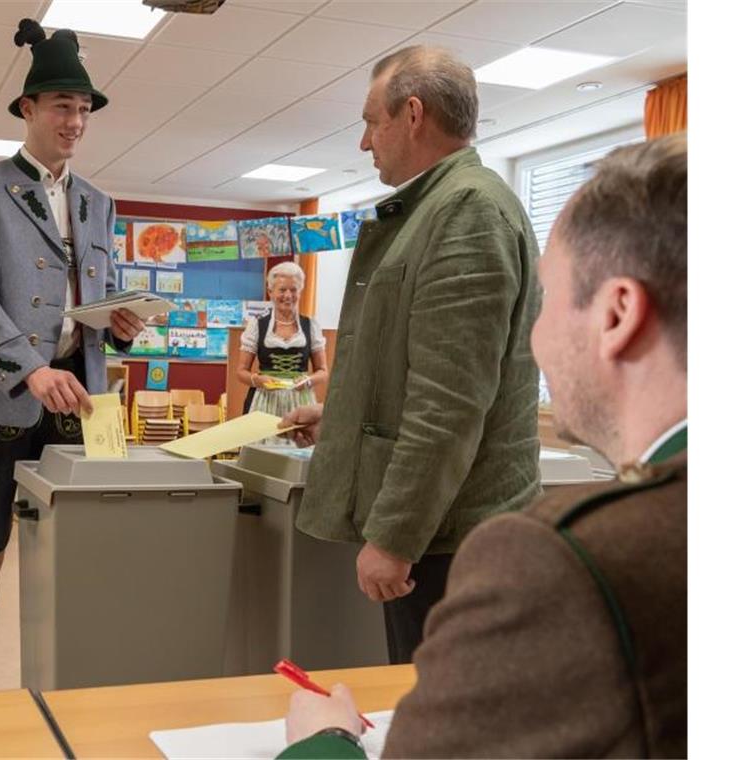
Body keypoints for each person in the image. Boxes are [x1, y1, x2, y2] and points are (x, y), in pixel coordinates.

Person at [281, 133, 687, 759]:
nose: (530, 340)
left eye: (544, 302)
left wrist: (323, 742)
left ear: (617, 315)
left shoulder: (561, 560)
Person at [282, 45, 541, 664]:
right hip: (443, 528)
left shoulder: (468, 212)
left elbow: (449, 402)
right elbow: (412, 367)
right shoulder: (438, 209)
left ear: (413, 114)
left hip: (450, 539)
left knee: (445, 719)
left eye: (373, 122)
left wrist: (394, 538)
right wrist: (339, 420)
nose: (365, 142)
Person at [0, 19, 144, 694]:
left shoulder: (99, 202)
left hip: (87, 404)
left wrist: (122, 325)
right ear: (27, 108)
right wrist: (30, 368)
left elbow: (99, 302)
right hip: (0, 399)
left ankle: (69, 683)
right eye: (63, 105)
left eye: (84, 109)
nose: (76, 120)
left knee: (86, 557)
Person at [235, 261, 328, 444]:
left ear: (300, 292)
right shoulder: (257, 326)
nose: (288, 295)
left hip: (300, 402)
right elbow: (241, 371)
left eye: (293, 290)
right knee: (261, 455)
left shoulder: (311, 326)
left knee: (298, 454)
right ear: (271, 292)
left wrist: (308, 380)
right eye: (282, 290)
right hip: (264, 400)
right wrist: (258, 380)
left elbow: (323, 371)